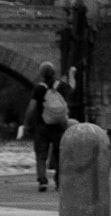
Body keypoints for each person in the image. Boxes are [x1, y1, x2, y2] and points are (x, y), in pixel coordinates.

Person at [21, 62, 75, 192]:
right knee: (59, 154)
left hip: (42, 126)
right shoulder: (61, 86)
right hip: (59, 126)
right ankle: (59, 181)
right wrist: (72, 73)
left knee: (41, 155)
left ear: (41, 74)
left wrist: (26, 124)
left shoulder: (39, 88)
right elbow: (72, 87)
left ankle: (42, 181)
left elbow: (32, 107)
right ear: (54, 73)